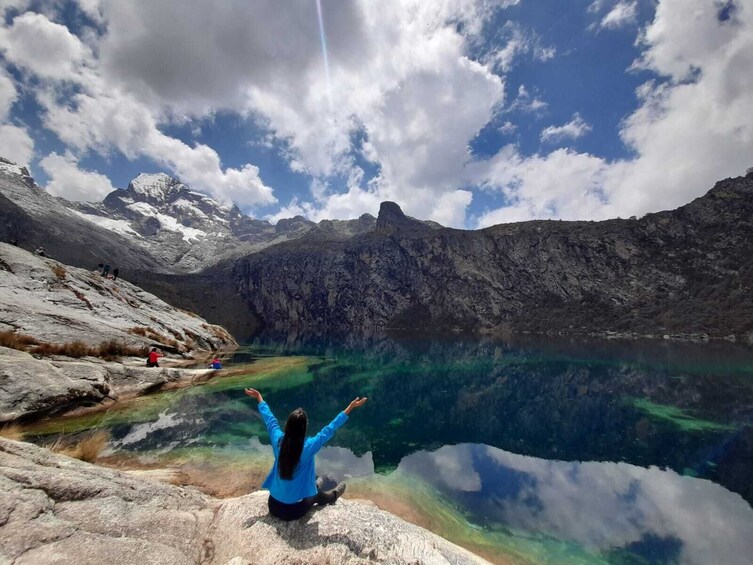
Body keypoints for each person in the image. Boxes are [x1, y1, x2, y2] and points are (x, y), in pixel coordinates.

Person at [244, 388, 367, 521]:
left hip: (273, 506)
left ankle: (315, 486)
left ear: (287, 425)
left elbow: (270, 420)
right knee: (316, 495)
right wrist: (351, 407)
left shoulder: (277, 440)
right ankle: (334, 496)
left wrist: (259, 397)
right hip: (294, 511)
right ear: (304, 428)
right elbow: (330, 428)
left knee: (309, 488)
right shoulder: (308, 446)